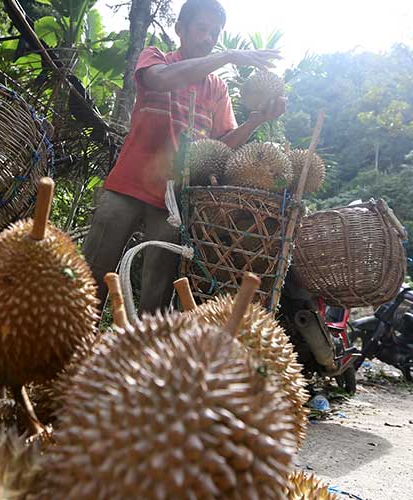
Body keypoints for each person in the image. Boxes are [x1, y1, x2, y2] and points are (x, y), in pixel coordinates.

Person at [82, 0, 286, 316]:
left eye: (214, 33)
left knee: (158, 291)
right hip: (127, 184)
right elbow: (159, 80)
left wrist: (255, 121)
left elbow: (222, 148)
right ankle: (69, 343)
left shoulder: (217, 89)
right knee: (92, 271)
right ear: (180, 29)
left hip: (174, 201)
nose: (207, 38)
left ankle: (146, 357)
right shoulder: (156, 57)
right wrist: (229, 56)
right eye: (201, 29)